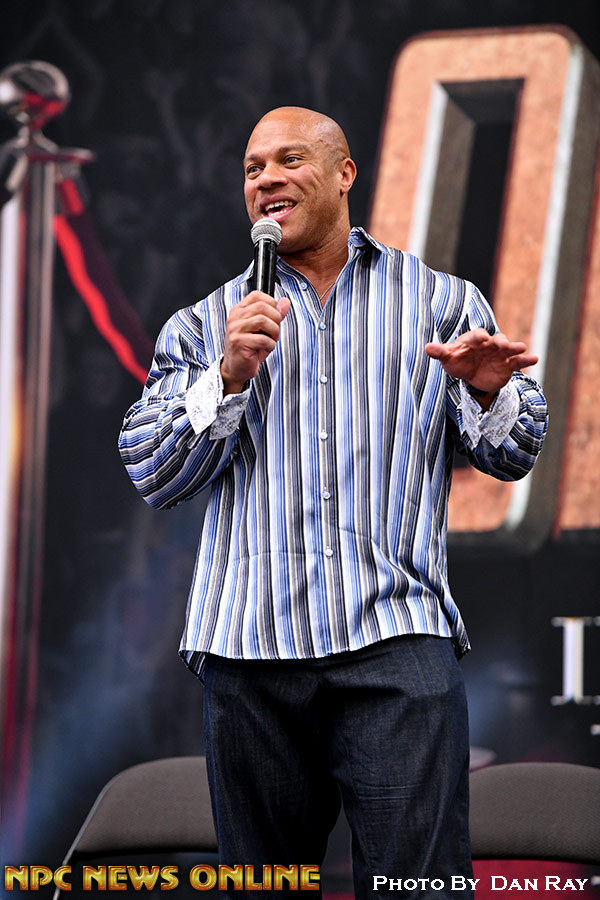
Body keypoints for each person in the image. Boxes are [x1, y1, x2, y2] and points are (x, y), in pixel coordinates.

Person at [119, 107, 548, 899]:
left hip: (395, 636)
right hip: (249, 647)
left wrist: (490, 392)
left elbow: (513, 455)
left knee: (418, 887)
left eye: (290, 160)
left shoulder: (440, 303)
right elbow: (155, 472)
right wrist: (226, 377)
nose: (266, 180)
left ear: (345, 173)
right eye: (252, 168)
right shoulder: (205, 325)